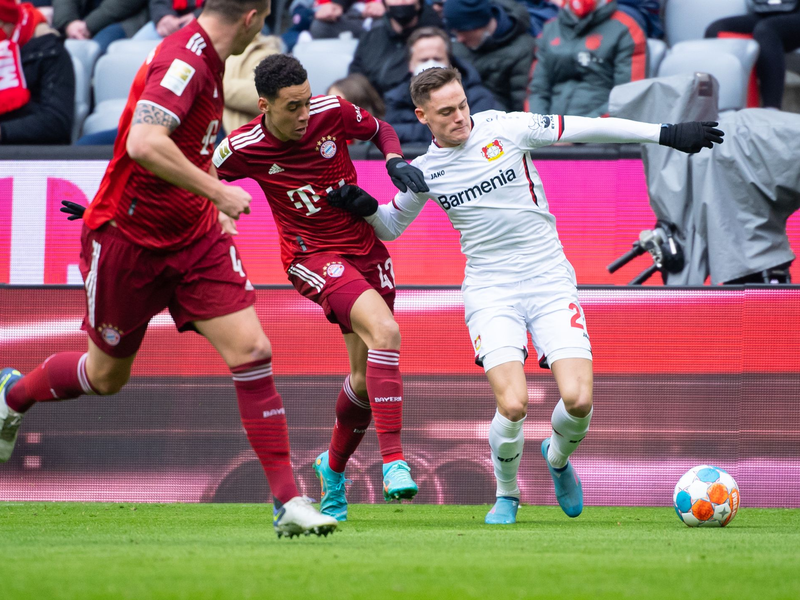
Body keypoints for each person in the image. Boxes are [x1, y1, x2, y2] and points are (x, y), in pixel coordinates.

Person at [0, 0, 337, 539]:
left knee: (252, 350)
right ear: (253, 17)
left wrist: (209, 208)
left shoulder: (216, 61)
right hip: (127, 240)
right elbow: (144, 142)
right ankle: (13, 395)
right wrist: (219, 193)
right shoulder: (185, 60)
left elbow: (190, 145)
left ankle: (287, 500)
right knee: (105, 376)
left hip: (194, 240)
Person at [327, 67, 723, 524]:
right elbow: (392, 226)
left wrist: (666, 134)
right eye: (446, 113)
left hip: (549, 278)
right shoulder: (425, 171)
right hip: (490, 289)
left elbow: (586, 127)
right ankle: (507, 494)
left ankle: (556, 459)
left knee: (578, 401)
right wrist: (366, 209)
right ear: (422, 117)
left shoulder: (506, 128)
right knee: (512, 404)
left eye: (462, 106)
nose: (460, 118)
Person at [211, 54, 429, 522]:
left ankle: (331, 471)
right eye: (292, 107)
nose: (304, 114)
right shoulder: (241, 147)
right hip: (311, 257)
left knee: (366, 378)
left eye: (307, 102)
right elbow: (189, 183)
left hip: (366, 250)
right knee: (386, 333)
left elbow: (379, 129)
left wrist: (393, 159)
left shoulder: (331, 111)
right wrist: (108, 215)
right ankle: (393, 462)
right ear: (265, 105)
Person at [527, 0, 648, 118]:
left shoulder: (626, 29)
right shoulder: (550, 30)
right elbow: (537, 90)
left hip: (600, 132)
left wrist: (577, 133)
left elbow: (628, 98)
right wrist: (539, 130)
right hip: (551, 131)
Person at [383, 26, 496, 144]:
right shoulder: (395, 99)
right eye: (424, 60)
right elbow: (390, 137)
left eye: (437, 58)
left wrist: (419, 130)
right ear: (410, 64)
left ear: (449, 61)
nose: (431, 64)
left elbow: (476, 135)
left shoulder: (478, 96)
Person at [0, 1, 74, 144]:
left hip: (30, 156)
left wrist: (3, 131)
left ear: (8, 24)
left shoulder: (50, 51)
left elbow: (57, 121)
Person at [705, 3, 800, 110]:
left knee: (766, 30)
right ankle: (716, 106)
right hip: (766, 10)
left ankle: (772, 108)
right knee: (716, 29)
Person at [444, 0, 535, 112]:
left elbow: (519, 102)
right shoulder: (458, 46)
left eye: (462, 31)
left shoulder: (522, 49)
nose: (459, 39)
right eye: (454, 33)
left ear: (478, 25)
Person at [348, 0, 443, 96]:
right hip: (373, 106)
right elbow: (355, 76)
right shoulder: (371, 37)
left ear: (419, 3)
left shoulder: (435, 40)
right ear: (384, 4)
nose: (402, 2)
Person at [223, 32, 283, 133]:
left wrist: (211, 86)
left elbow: (265, 96)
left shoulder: (265, 52)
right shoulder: (208, 50)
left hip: (238, 139)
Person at [53, 0, 148, 53]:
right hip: (78, 23)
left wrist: (88, 25)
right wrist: (69, 23)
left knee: (93, 51)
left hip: (126, 20)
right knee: (50, 49)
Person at [309, 0, 385, 39]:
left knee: (382, 28)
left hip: (383, 21)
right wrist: (336, 5)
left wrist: (387, 7)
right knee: (319, 27)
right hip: (350, 20)